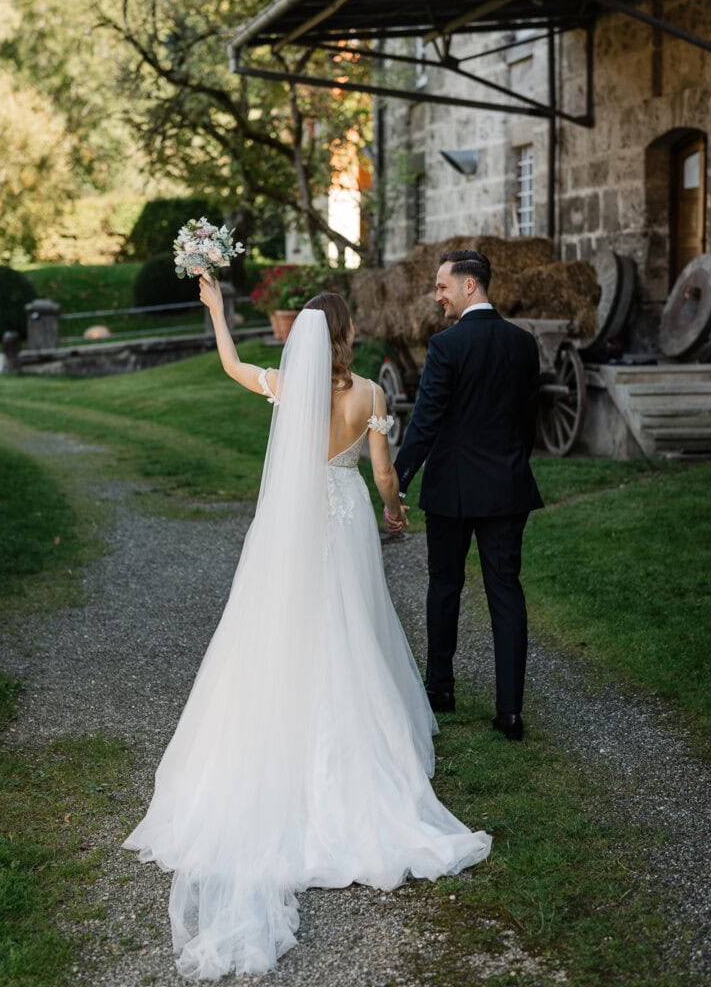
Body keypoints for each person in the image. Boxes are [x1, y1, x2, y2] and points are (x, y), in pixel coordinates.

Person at [123, 281, 491, 981]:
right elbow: (384, 474)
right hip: (346, 517)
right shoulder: (372, 398)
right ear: (350, 334)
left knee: (284, 623)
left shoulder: (291, 386)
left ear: (303, 340)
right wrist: (395, 511)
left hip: (294, 525)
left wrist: (216, 312)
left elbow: (232, 368)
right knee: (351, 628)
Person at [393, 251, 543, 741]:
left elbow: (426, 421)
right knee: (506, 590)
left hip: (453, 489)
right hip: (506, 486)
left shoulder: (447, 346)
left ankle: (441, 688)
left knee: (445, 585)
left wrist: (397, 478)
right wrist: (513, 463)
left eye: (442, 287)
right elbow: (529, 422)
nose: (437, 295)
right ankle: (511, 711)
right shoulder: (523, 344)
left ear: (470, 286)